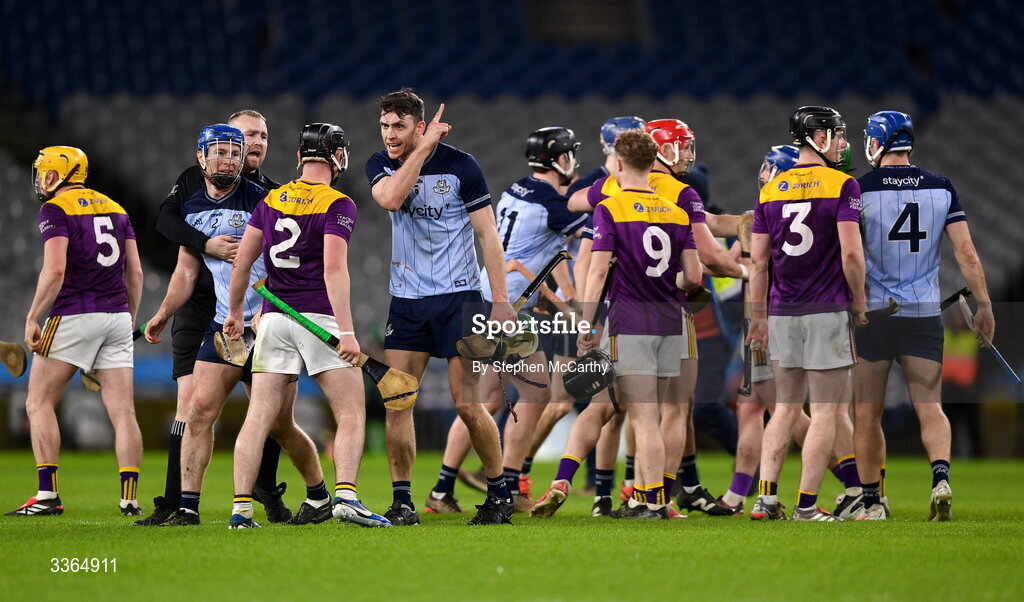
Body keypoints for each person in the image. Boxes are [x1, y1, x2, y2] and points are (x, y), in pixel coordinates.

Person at [143, 125, 325, 526]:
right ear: (201, 157)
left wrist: (265, 315)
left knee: (280, 425)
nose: (227, 159)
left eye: (234, 153)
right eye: (219, 152)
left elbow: (285, 263)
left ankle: (318, 494)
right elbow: (187, 273)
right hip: (223, 327)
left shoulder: (266, 200)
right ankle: (189, 508)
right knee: (198, 410)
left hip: (269, 327)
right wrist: (162, 314)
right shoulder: (190, 208)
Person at [225, 122, 390, 529]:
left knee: (258, 416)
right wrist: (348, 331)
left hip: (275, 320)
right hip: (319, 318)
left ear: (300, 156)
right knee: (351, 412)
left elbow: (243, 263)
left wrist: (234, 312)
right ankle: (347, 497)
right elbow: (334, 271)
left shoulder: (270, 200)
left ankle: (240, 510)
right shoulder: (339, 203)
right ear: (338, 157)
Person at [366, 88, 517, 525]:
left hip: (460, 299)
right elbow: (391, 198)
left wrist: (501, 300)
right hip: (408, 302)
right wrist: (422, 149)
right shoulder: (380, 165)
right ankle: (402, 500)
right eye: (385, 126)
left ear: (418, 124)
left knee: (469, 405)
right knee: (398, 400)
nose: (390, 135)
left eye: (399, 126)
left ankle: (499, 495)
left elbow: (488, 235)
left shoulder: (462, 165)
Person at [425, 126, 587, 514]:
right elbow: (591, 220)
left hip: (487, 298)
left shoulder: (520, 187)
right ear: (561, 158)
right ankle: (510, 485)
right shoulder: (553, 206)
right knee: (536, 395)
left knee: (486, 399)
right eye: (570, 154)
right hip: (507, 307)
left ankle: (443, 490)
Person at [853, 110, 993, 521]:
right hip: (924, 314)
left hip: (876, 314)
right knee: (930, 407)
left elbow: (850, 255)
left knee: (867, 412)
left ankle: (873, 501)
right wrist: (984, 304)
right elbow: (965, 254)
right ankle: (940, 479)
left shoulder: (860, 190)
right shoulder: (941, 187)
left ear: (877, 143)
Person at [8, 147, 144, 516]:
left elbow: (54, 270)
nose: (39, 178)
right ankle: (129, 499)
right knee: (123, 414)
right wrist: (128, 318)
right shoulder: (117, 208)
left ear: (55, 175)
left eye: (42, 172)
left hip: (73, 314)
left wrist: (33, 316)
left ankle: (47, 496)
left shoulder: (55, 209)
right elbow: (135, 274)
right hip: (117, 315)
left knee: (37, 403)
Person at [746, 106, 866, 522]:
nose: (840, 142)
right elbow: (851, 252)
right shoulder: (843, 184)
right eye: (835, 134)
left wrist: (757, 317)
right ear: (818, 136)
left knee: (784, 408)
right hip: (827, 309)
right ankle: (807, 506)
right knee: (828, 412)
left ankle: (764, 499)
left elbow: (758, 263)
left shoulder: (769, 190)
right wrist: (862, 300)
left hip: (780, 311)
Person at [577, 129, 702, 520]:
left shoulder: (609, 209)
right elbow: (694, 276)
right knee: (669, 414)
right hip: (671, 318)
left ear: (617, 164)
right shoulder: (678, 212)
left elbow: (597, 273)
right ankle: (659, 499)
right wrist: (665, 283)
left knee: (644, 417)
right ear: (653, 164)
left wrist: (586, 322)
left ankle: (651, 502)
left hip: (631, 319)